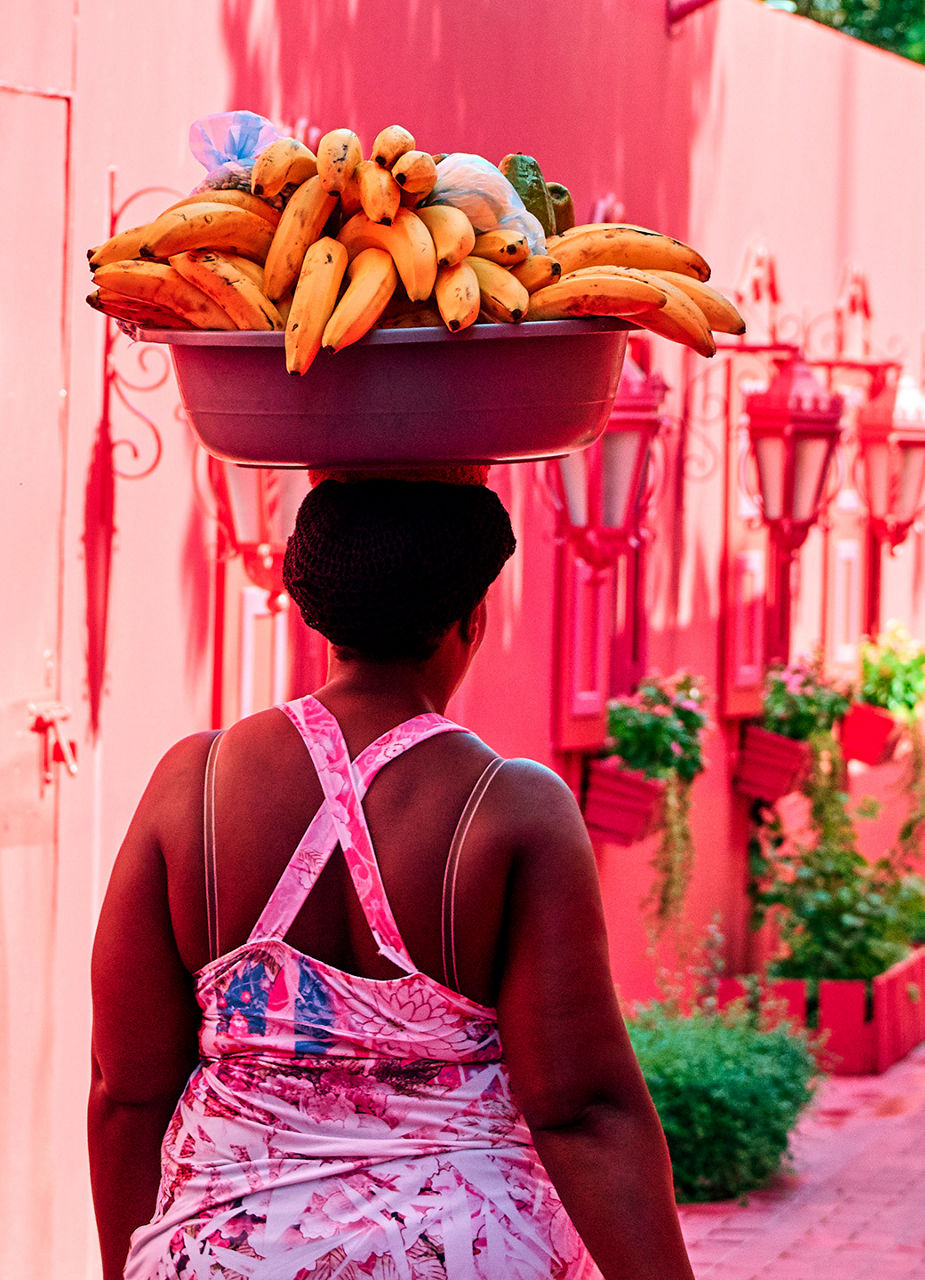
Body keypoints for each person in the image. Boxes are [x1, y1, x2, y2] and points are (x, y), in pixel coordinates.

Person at [89, 476, 696, 1280]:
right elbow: (581, 1109)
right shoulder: (511, 808)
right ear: (471, 618)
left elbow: (125, 1090)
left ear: (315, 609)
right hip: (457, 1253)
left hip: (224, 1253)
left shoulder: (191, 783)